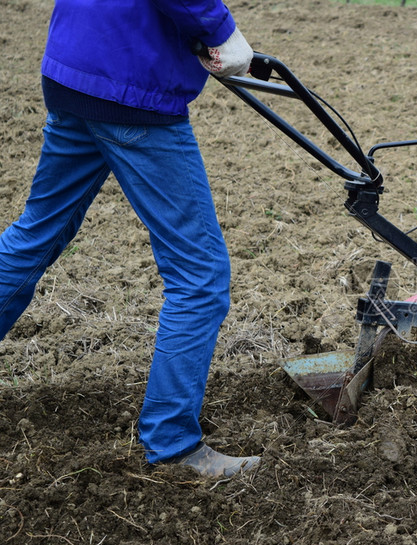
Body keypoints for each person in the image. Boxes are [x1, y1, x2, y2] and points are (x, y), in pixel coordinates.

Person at [0, 0, 261, 478]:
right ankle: (174, 445)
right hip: (130, 84)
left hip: (75, 66)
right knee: (199, 274)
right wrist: (219, 29)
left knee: (37, 232)